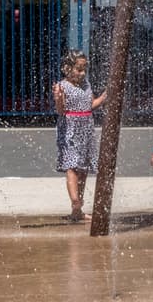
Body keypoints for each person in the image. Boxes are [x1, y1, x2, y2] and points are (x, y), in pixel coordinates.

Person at [54, 50, 105, 222]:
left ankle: (77, 211)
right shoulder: (61, 86)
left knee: (82, 168)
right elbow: (61, 111)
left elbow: (91, 105)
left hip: (86, 128)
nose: (82, 73)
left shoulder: (86, 85)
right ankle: (76, 201)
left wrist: (105, 95)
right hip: (70, 128)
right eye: (78, 69)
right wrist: (59, 99)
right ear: (67, 68)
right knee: (71, 165)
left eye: (84, 69)